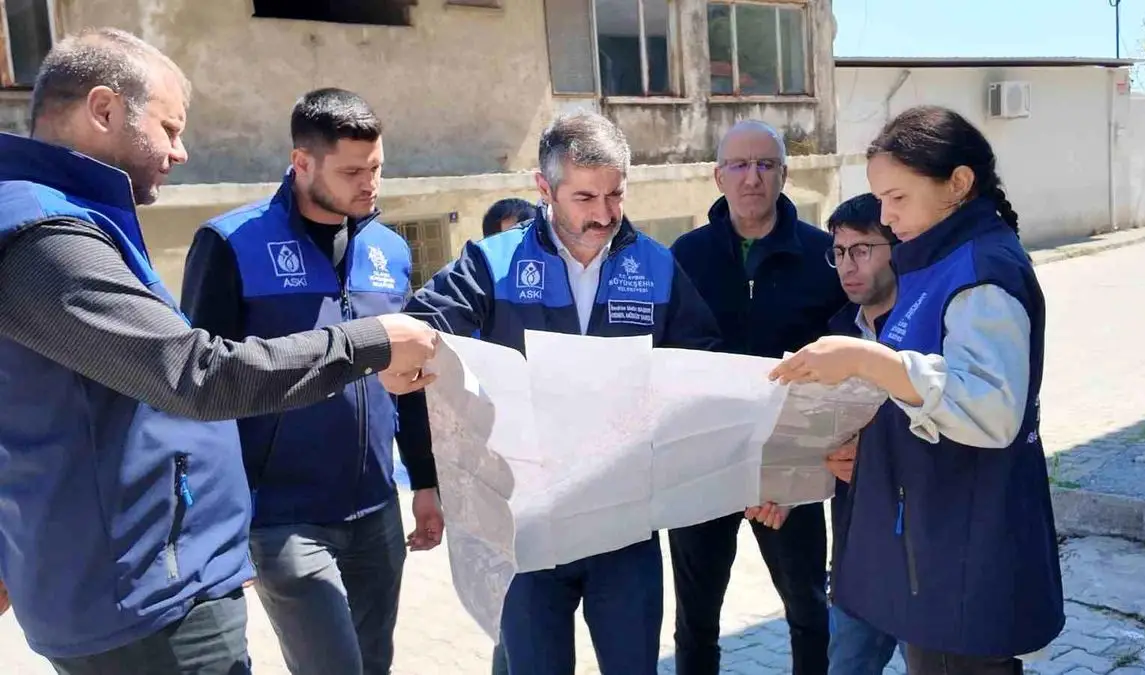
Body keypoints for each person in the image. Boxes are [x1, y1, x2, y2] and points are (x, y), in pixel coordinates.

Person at [0, 28, 437, 675]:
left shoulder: (68, 221)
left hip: (154, 573)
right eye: (169, 128)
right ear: (104, 110)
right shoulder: (45, 235)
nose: (180, 151)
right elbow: (197, 373)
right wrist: (371, 343)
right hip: (142, 594)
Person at [405, 111, 721, 675]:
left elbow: (702, 365)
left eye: (615, 194)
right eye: (585, 198)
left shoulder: (656, 265)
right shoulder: (493, 262)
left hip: (623, 525)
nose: (603, 214)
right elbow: (421, 327)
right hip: (526, 526)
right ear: (544, 189)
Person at [770, 105, 1063, 675]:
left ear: (958, 183)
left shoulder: (981, 270)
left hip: (961, 555)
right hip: (931, 546)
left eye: (898, 197)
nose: (886, 215)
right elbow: (920, 399)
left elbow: (991, 410)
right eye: (881, 199)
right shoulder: (936, 262)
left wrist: (866, 358)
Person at [180, 88, 444, 675]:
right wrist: (218, 523)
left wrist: (425, 480)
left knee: (374, 663)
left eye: (376, 168)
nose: (369, 184)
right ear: (302, 162)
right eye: (351, 172)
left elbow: (409, 377)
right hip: (282, 517)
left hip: (376, 505)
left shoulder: (389, 250)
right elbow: (198, 389)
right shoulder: (231, 244)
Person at [667, 119, 846, 675]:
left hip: (792, 467)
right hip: (704, 467)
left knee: (809, 612)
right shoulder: (685, 255)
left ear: (784, 175)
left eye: (765, 165)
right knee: (696, 621)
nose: (752, 178)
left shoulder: (823, 257)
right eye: (739, 165)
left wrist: (793, 468)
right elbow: (668, 360)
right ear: (718, 176)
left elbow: (839, 371)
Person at [820, 193, 903, 675]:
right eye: (839, 252)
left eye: (862, 250)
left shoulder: (926, 326)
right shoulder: (833, 335)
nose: (848, 266)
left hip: (921, 549)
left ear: (896, 248)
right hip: (855, 548)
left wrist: (872, 451)